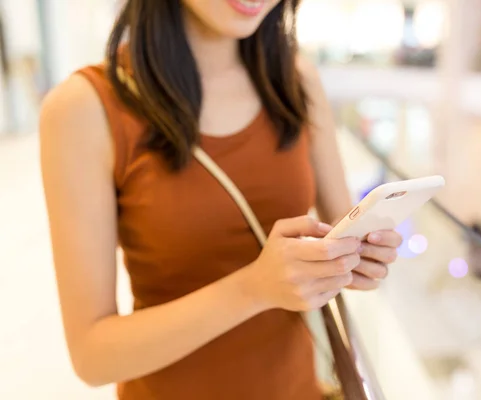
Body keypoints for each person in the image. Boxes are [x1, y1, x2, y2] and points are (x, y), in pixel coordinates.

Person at [40, 1, 403, 399]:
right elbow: (92, 357)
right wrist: (253, 289)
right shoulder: (84, 107)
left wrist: (356, 258)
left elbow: (343, 231)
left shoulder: (295, 80)